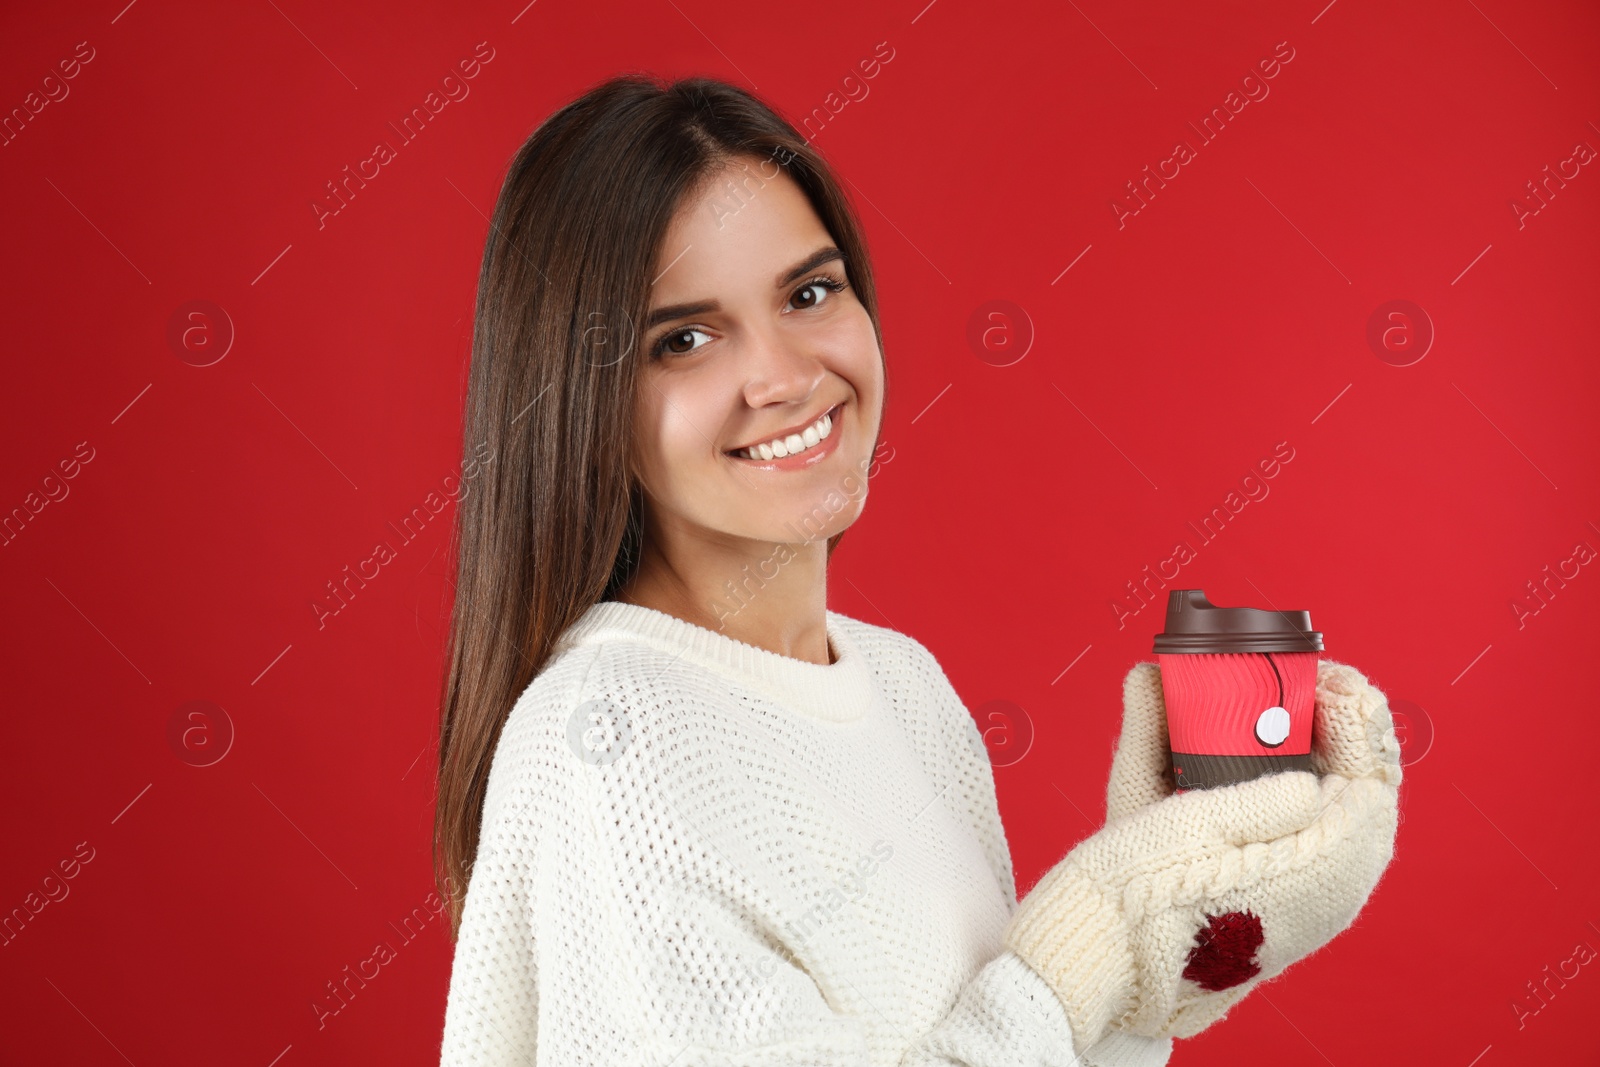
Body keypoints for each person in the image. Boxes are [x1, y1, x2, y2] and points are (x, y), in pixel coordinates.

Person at [433, 73, 1402, 1067]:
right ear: (580, 401)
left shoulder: (907, 688)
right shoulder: (611, 739)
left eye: (810, 291)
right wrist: (1099, 920)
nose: (786, 375)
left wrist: (1169, 945)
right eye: (684, 339)